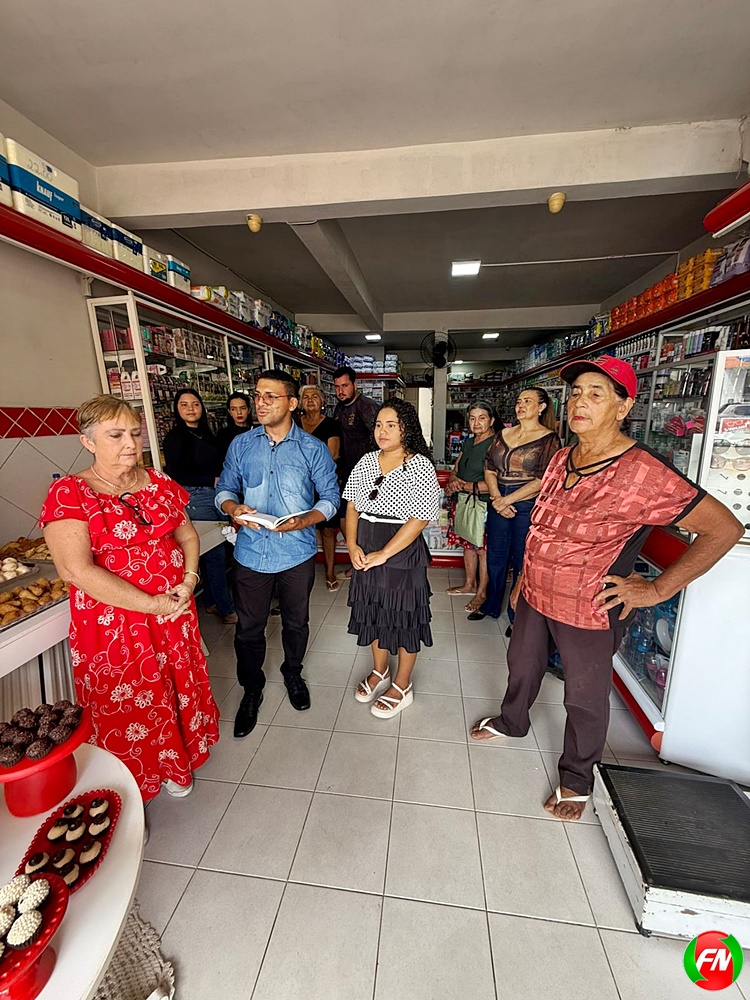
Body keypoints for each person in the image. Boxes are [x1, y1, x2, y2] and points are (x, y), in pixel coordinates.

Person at [470, 356, 743, 821]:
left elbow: (724, 529)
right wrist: (523, 580)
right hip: (536, 593)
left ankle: (577, 779)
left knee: (584, 696)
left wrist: (656, 590)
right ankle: (512, 721)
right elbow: (543, 525)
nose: (580, 402)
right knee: (522, 664)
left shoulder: (645, 471)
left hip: (590, 605)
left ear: (623, 407)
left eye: (596, 394)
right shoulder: (562, 457)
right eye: (576, 393)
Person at [40, 395, 220, 801]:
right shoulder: (70, 492)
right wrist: (152, 604)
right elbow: (76, 570)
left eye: (135, 433)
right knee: (131, 697)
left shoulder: (158, 482)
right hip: (117, 624)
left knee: (177, 684)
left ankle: (178, 760)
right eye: (116, 435)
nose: (130, 443)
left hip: (174, 610)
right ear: (88, 442)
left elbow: (187, 534)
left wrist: (189, 580)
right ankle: (134, 778)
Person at [216, 370, 340, 738]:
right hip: (251, 552)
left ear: (292, 403)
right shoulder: (241, 445)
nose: (261, 402)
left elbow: (331, 498)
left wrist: (306, 520)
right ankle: (251, 689)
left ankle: (293, 673)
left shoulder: (312, 449)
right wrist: (233, 508)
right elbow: (224, 489)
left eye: (271, 396)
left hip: (296, 552)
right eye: (257, 395)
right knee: (249, 628)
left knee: (296, 622)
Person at [346, 399, 442, 718]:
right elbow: (352, 506)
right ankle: (380, 670)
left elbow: (420, 518)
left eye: (391, 425)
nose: (382, 431)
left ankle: (402, 684)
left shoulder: (419, 465)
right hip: (366, 545)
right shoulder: (366, 461)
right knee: (373, 610)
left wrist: (384, 553)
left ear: (406, 429)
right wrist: (352, 544)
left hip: (400, 549)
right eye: (378, 425)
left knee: (404, 616)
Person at [468, 387, 559, 630]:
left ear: (541, 407)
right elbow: (489, 467)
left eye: (528, 401)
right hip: (499, 499)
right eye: (519, 401)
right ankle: (490, 605)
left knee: (521, 560)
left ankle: (516, 614)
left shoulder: (548, 439)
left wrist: (507, 501)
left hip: (526, 504)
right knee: (495, 557)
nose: (521, 405)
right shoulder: (503, 434)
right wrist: (497, 498)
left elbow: (543, 479)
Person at [162, 388, 237, 624]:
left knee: (221, 548)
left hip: (217, 495)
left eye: (195, 404)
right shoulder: (175, 438)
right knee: (214, 554)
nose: (191, 409)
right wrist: (209, 480)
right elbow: (175, 474)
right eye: (184, 404)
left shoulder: (206, 433)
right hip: (195, 497)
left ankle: (212, 602)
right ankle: (226, 608)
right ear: (176, 409)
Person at [444, 402, 495, 612]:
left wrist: (463, 485)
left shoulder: (495, 444)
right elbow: (456, 469)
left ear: (491, 420)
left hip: (482, 504)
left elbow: (495, 483)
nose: (476, 423)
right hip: (464, 501)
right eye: (472, 418)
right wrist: (453, 481)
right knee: (468, 543)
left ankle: (482, 592)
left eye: (482, 418)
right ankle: (469, 584)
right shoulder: (469, 443)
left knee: (482, 548)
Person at [333, 366, 380, 575]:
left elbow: (380, 440)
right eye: (337, 387)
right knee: (346, 518)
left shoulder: (367, 407)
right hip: (345, 475)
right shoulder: (339, 408)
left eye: (344, 386)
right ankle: (357, 559)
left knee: (365, 520)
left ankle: (366, 561)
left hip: (367, 475)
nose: (340, 391)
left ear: (354, 384)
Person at [299, 385, 342, 591]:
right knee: (298, 526)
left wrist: (302, 464)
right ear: (299, 402)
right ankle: (299, 573)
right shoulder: (294, 423)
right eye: (305, 397)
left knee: (327, 530)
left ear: (322, 401)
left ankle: (330, 571)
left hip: (322, 484)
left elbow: (332, 455)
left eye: (314, 396)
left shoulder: (331, 424)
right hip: (297, 485)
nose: (310, 400)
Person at [217, 391, 253, 458]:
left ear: (249, 410)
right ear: (229, 412)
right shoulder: (223, 435)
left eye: (243, 408)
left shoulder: (256, 431)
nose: (239, 412)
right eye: (233, 409)